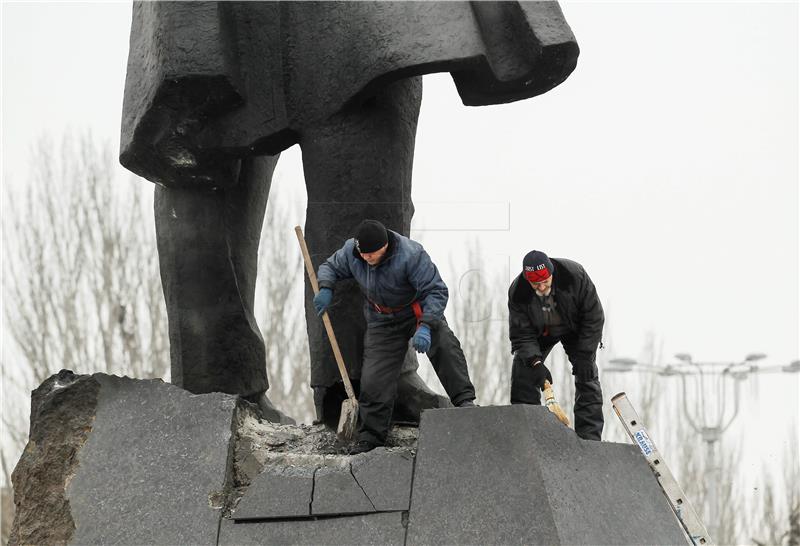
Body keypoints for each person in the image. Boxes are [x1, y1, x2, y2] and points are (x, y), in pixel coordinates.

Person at [315, 220, 477, 453]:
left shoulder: (411, 255)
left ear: (386, 246)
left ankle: (465, 402)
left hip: (416, 311)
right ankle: (371, 437)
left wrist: (426, 326)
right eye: (364, 254)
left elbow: (436, 290)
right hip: (382, 319)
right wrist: (326, 287)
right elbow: (330, 266)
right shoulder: (352, 252)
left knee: (444, 343)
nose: (367, 258)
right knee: (373, 379)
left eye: (373, 254)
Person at [507, 250, 604, 440]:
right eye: (536, 283)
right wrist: (535, 363)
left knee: (587, 374)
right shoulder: (518, 292)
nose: (542, 287)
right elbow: (521, 334)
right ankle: (528, 435)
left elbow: (594, 317)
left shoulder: (574, 275)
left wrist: (585, 355)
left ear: (552, 273)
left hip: (575, 328)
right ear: (528, 280)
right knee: (523, 373)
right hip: (540, 333)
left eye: (545, 281)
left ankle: (590, 438)